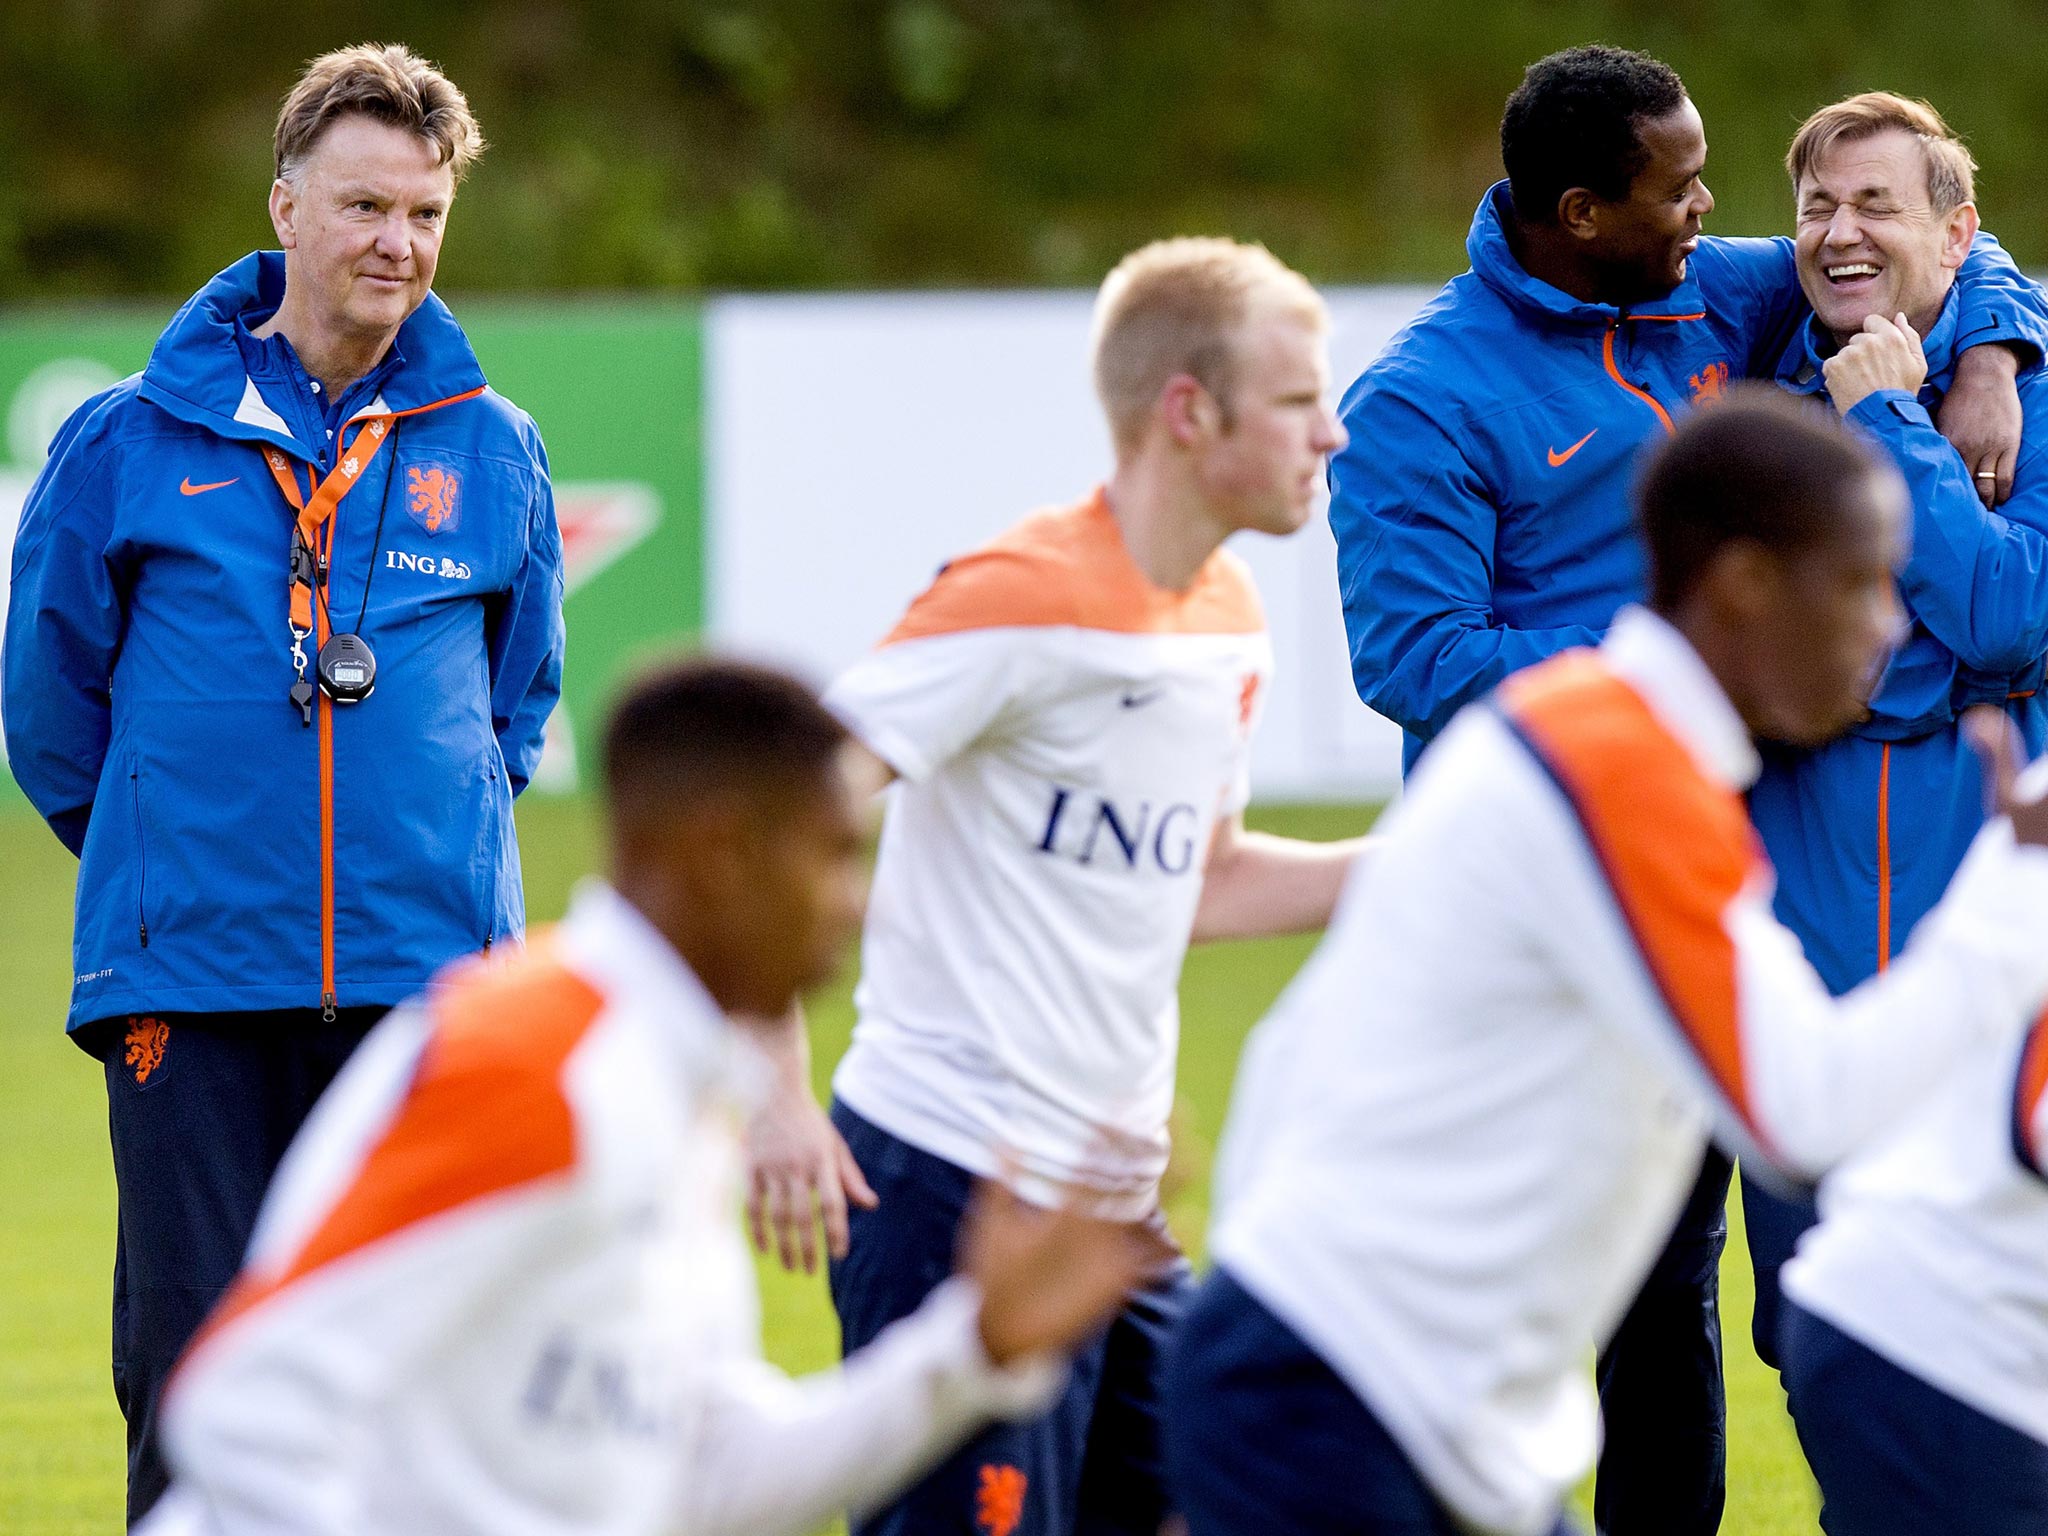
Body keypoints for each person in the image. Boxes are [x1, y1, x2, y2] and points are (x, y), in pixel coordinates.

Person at [1326, 45, 2048, 1534]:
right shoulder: (1423, 394)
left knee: (1813, 1295)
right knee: (1625, 1314)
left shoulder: (1716, 290)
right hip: (1581, 897)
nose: (1725, 215)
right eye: (1684, 190)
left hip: (1760, 872)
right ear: (1585, 212)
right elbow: (1416, 656)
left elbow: (1930, 248)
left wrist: (1995, 358)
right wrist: (1695, 656)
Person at [1162, 389, 2048, 1536]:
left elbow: (1288, 1067)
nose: (1889, 623)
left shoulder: (1614, 737)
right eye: (1861, 582)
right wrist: (2008, 896)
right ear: (1742, 589)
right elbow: (1798, 1113)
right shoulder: (1620, 769)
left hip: (1388, 1396)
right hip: (1339, 1391)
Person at [132, 658, 1163, 1536]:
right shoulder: (543, 1061)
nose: (860, 903)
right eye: (837, 854)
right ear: (722, 856)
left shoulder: (680, 1089)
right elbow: (247, 1413)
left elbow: (701, 1469)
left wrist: (973, 1347)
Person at [0, 44, 564, 1523]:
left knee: (418, 1382)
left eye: (427, 214)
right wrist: (169, 853)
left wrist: (416, 852)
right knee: (193, 1378)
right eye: (368, 204)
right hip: (190, 983)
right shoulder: (126, 441)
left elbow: (516, 713)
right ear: (287, 206)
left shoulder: (497, 450)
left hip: (422, 994)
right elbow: (53, 715)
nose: (399, 243)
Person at [738, 236, 1368, 1536]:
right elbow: (769, 822)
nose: (1335, 435)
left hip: (1115, 1216)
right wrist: (779, 1099)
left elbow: (1200, 881)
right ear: (1190, 412)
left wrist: (1421, 869)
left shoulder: (1229, 613)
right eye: (1303, 401)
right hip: (943, 1186)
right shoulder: (1017, 596)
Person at [1740, 92, 2048, 1373]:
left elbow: (2002, 618)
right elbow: (1771, 662)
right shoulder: (1756, 387)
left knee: (1984, 1311)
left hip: (1979, 927)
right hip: (1791, 940)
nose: (1838, 232)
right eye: (1816, 206)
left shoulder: (2023, 401)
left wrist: (1890, 418)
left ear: (1957, 231)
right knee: (1803, 1323)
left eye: (1875, 203)